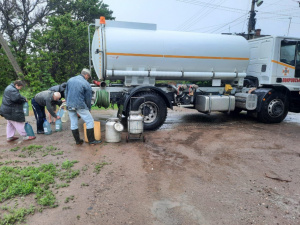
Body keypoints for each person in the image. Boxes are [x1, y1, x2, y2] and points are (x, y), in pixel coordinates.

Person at [65, 68, 101, 145]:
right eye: (88, 77)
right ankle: (92, 141)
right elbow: (88, 98)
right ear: (86, 75)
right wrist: (88, 108)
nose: (88, 78)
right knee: (90, 121)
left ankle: (78, 141)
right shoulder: (86, 83)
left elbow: (66, 93)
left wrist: (67, 103)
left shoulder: (70, 80)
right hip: (79, 104)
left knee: (74, 123)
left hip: (70, 104)